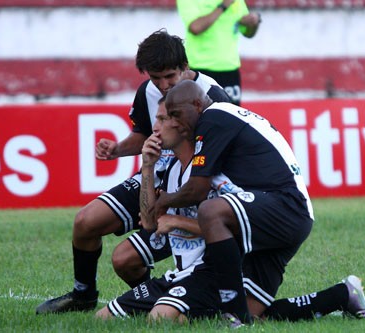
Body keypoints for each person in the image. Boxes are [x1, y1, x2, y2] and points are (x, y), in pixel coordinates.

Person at [35, 29, 231, 315]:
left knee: (124, 260)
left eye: (170, 77)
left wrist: (179, 195)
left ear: (185, 68)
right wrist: (117, 149)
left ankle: (169, 298)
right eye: (155, 78)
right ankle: (84, 295)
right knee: (85, 222)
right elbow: (142, 135)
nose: (163, 85)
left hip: (192, 187)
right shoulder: (148, 93)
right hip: (153, 176)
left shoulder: (212, 96)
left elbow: (224, 153)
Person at [156, 80, 365, 324]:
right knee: (255, 314)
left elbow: (197, 188)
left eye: (176, 114)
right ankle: (343, 295)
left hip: (283, 205)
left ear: (197, 105)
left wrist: (164, 200)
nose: (173, 122)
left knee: (211, 212)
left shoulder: (213, 117)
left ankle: (233, 316)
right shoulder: (220, 117)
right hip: (285, 212)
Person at [95, 99, 226, 323]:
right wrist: (147, 166)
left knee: (159, 320)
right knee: (102, 319)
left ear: (182, 126)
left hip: (211, 275)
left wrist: (177, 221)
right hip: (179, 274)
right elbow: (148, 223)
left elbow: (233, 229)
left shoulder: (210, 173)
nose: (154, 127)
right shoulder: (172, 169)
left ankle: (223, 310)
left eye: (162, 119)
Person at [176, 0, 261, 105]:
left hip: (230, 70)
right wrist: (223, 6)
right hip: (200, 69)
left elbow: (248, 33)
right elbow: (196, 27)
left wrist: (253, 23)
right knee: (199, 114)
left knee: (231, 116)